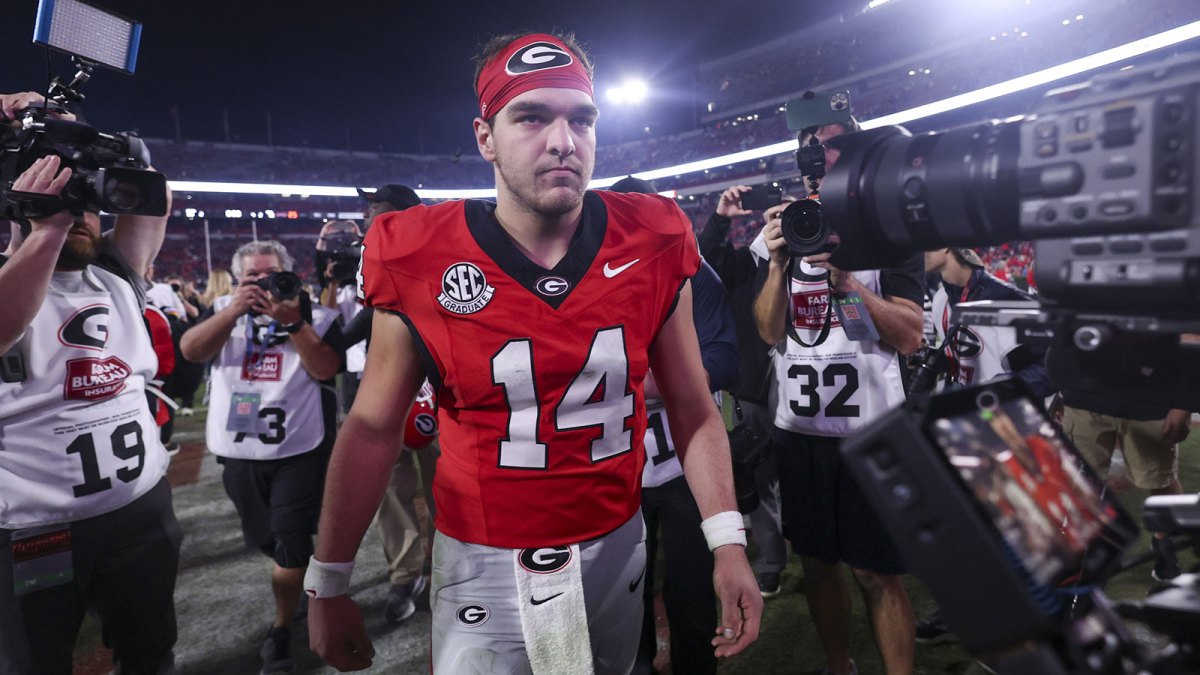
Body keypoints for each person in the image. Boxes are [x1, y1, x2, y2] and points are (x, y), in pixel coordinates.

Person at [306, 31, 760, 674]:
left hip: (617, 540)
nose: (562, 141)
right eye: (531, 116)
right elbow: (374, 426)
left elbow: (691, 404)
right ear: (485, 136)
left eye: (581, 119)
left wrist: (727, 540)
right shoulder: (416, 252)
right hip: (482, 555)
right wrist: (328, 581)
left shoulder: (654, 235)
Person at [0, 91, 180, 675]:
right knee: (35, 664)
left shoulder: (117, 273)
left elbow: (152, 199)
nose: (81, 216)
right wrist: (45, 226)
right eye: (66, 203)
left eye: (89, 204)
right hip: (35, 528)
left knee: (150, 652)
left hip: (140, 513)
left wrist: (126, 151)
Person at [752, 120, 924, 675]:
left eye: (830, 143)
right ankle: (838, 668)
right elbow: (768, 332)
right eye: (811, 147)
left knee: (877, 572)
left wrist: (850, 284)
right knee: (818, 565)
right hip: (801, 431)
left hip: (871, 432)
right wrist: (779, 263)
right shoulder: (787, 228)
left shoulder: (888, 226)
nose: (819, 155)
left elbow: (910, 335)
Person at [180, 239, 343, 674]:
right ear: (238, 280)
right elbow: (191, 351)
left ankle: (280, 632)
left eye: (272, 275)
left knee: (289, 542)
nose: (263, 285)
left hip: (298, 450)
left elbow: (326, 369)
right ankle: (296, 584)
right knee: (266, 539)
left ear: (289, 275)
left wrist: (293, 324)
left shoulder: (317, 316)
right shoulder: (221, 314)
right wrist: (233, 310)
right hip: (239, 450)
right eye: (253, 277)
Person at [612, 176, 740, 675]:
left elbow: (728, 362)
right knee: (622, 603)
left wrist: (638, 384)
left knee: (692, 598)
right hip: (617, 469)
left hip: (684, 464)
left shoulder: (693, 272)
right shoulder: (581, 275)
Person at [699, 184, 789, 598]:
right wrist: (720, 219)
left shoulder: (815, 255)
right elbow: (703, 259)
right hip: (757, 386)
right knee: (760, 475)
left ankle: (804, 544)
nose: (782, 225)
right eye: (775, 217)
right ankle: (772, 559)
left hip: (809, 383)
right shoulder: (744, 262)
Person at [923, 247, 1055, 398]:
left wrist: (1002, 390)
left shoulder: (1005, 299)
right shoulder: (941, 299)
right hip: (967, 412)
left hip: (1003, 415)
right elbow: (968, 363)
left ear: (947, 246)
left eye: (928, 242)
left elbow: (1054, 368)